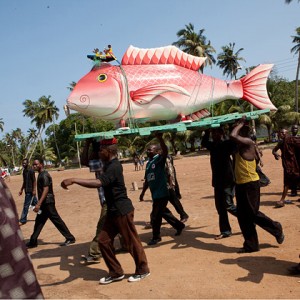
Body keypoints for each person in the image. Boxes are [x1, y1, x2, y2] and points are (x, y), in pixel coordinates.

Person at [61, 138, 150, 284]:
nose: (98, 153)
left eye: (101, 150)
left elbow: (99, 183)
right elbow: (87, 162)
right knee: (103, 241)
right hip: (112, 210)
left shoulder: (114, 166)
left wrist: (74, 180)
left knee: (131, 242)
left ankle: (143, 270)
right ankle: (116, 272)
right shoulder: (107, 164)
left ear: (108, 151)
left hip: (122, 210)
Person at [230, 117, 284, 253]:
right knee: (243, 216)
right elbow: (231, 137)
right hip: (241, 184)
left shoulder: (248, 142)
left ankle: (276, 228)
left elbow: (233, 135)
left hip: (250, 184)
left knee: (252, 213)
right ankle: (251, 245)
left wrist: (241, 124)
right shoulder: (238, 145)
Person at [79, 139, 126, 264]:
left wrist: (87, 144)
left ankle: (94, 253)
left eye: (100, 150)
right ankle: (126, 244)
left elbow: (84, 161)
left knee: (102, 227)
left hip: (108, 200)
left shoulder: (101, 163)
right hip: (111, 199)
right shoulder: (108, 162)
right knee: (119, 224)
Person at [0, 177, 44, 299]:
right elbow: (26, 180)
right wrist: (22, 188)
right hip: (28, 192)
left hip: (37, 197)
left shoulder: (40, 174)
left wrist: (35, 194)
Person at [139, 133, 185, 246]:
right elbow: (147, 180)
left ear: (156, 151)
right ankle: (179, 225)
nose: (148, 151)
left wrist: (160, 138)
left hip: (162, 193)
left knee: (155, 216)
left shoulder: (159, 160)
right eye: (148, 150)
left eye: (150, 150)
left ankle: (156, 237)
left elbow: (165, 152)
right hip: (155, 194)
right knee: (164, 212)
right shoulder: (149, 163)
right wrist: (142, 193)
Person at [26, 158, 75, 248]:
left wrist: (38, 204)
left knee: (56, 220)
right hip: (45, 203)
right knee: (39, 222)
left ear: (41, 164)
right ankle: (33, 241)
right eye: (33, 164)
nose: (34, 166)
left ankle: (70, 238)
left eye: (36, 164)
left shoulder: (44, 175)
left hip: (48, 202)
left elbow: (46, 190)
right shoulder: (41, 174)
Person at [201, 128, 237, 240]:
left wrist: (233, 126)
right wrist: (206, 131)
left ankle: (248, 220)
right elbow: (204, 143)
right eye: (213, 133)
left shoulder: (227, 144)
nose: (214, 135)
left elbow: (234, 141)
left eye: (217, 132)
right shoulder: (213, 146)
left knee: (229, 206)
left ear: (222, 133)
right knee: (220, 208)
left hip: (227, 180)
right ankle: (225, 231)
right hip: (217, 182)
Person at [272, 128, 300, 207]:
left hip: (294, 165)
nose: (280, 134)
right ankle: (282, 200)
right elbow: (274, 150)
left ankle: (282, 200)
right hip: (287, 165)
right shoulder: (281, 142)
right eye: (280, 133)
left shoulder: (292, 140)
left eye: (282, 133)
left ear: (286, 133)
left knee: (291, 182)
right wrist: (275, 154)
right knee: (287, 182)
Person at [165, 154, 189, 223]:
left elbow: (171, 172)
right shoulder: (154, 160)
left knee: (174, 200)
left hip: (167, 184)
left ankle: (183, 216)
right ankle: (154, 220)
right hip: (161, 186)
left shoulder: (166, 158)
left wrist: (171, 185)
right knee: (159, 204)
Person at [18, 158, 38, 226]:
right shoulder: (24, 172)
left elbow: (34, 181)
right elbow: (24, 181)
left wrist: (34, 190)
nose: (23, 164)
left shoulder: (31, 171)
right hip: (26, 191)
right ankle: (44, 214)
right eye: (23, 163)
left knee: (26, 206)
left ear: (27, 163)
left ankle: (23, 220)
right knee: (36, 204)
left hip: (31, 191)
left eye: (25, 163)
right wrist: (21, 190)